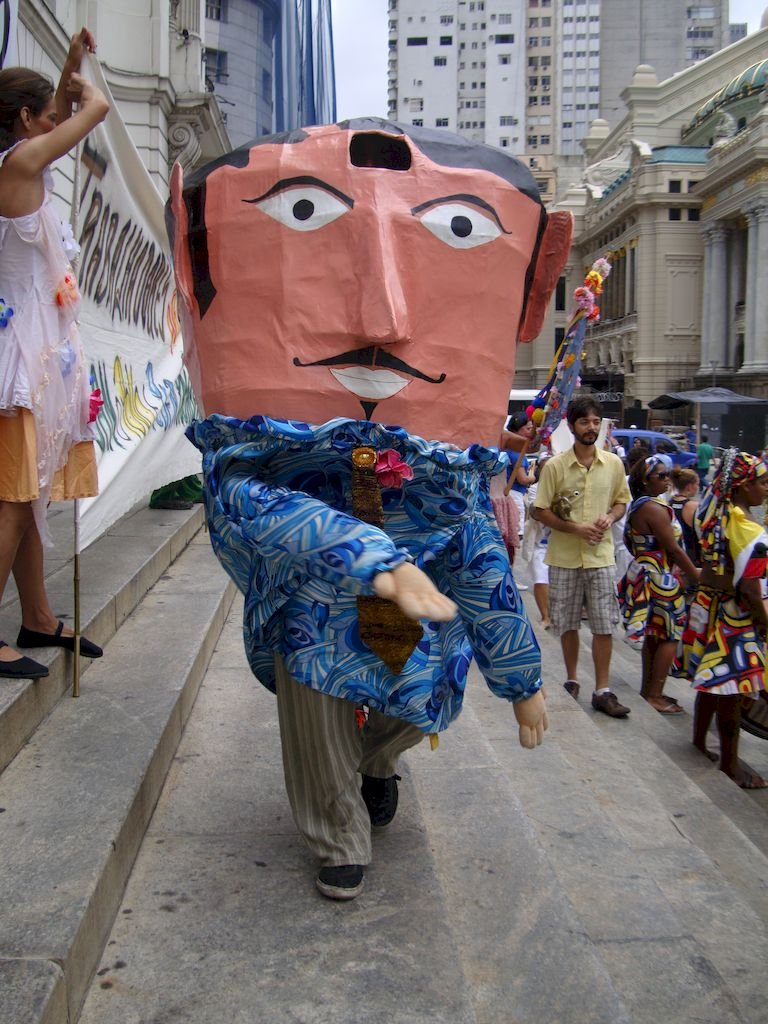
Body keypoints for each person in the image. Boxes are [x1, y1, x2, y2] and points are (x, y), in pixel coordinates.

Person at [169, 118, 572, 898]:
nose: (383, 319)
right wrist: (376, 561)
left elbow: (483, 565)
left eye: (461, 230)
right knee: (315, 667)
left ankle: (375, 761)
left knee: (427, 690)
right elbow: (250, 505)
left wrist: (520, 680)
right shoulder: (256, 457)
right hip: (315, 606)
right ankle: (335, 832)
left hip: (414, 621)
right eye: (302, 216)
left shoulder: (447, 474)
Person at [0, 29, 109, 679]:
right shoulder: (16, 169)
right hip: (21, 361)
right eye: (46, 119)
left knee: (31, 496)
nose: (57, 126)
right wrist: (88, 90)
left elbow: (64, 115)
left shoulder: (22, 163)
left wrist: (69, 65)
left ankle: (37, 618)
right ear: (23, 122)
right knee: (13, 499)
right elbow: (90, 114)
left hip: (43, 357)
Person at [534, 396, 632, 717]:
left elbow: (621, 501)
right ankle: (572, 678)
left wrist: (611, 518)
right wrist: (575, 528)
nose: (591, 428)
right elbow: (540, 511)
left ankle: (602, 689)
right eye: (584, 422)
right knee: (567, 623)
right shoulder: (555, 466)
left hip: (601, 557)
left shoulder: (614, 464)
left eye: (595, 422)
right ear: (572, 425)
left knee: (604, 625)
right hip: (564, 557)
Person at [678, 450, 768, 789]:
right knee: (733, 688)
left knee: (711, 682)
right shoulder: (747, 528)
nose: (765, 489)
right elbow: (750, 588)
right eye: (761, 483)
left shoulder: (719, 514)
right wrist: (764, 622)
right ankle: (730, 764)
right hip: (735, 615)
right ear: (744, 486)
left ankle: (700, 741)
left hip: (709, 604)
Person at [618, 456, 700, 714]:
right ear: (645, 481)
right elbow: (673, 548)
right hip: (660, 578)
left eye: (667, 475)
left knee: (655, 634)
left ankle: (649, 690)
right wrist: (695, 574)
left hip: (649, 574)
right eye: (661, 476)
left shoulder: (644, 504)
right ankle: (654, 694)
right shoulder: (652, 508)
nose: (667, 480)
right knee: (668, 636)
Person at [521, 454, 551, 629]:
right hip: (540, 542)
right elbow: (536, 512)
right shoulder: (535, 489)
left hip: (561, 543)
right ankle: (545, 616)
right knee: (540, 579)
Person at [668, 466, 701, 565]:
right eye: (697, 484)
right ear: (689, 487)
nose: (698, 487)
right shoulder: (694, 507)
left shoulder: (667, 504)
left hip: (673, 557)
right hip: (691, 558)